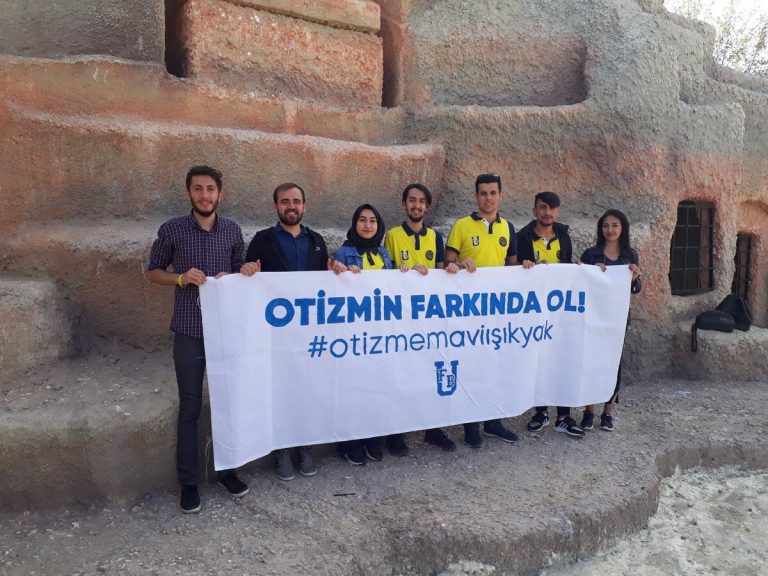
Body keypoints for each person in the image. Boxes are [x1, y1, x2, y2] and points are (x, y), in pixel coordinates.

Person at [146, 165, 249, 514]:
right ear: (189, 193)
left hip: (225, 331)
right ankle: (189, 482)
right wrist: (180, 278)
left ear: (220, 194)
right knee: (190, 407)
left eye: (210, 189)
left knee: (226, 404)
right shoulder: (172, 229)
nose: (205, 195)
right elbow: (153, 272)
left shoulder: (232, 230)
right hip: (189, 330)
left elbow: (241, 270)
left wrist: (238, 273)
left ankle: (227, 471)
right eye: (198, 189)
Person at [240, 182, 330, 481]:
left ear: (304, 206)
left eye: (296, 201)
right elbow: (248, 279)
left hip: (308, 332)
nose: (291, 206)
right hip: (275, 334)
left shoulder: (316, 241)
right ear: (276, 206)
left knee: (306, 390)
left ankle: (305, 447)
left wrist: (338, 273)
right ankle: (281, 450)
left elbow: (324, 282)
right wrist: (247, 271)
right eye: (285, 201)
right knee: (279, 391)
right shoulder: (262, 240)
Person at [444, 173, 520, 448]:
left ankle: (493, 421)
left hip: (497, 311)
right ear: (476, 196)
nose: (488, 198)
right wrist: (459, 263)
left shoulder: (508, 228)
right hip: (468, 311)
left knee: (495, 365)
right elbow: (447, 263)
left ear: (501, 195)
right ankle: (471, 424)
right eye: (483, 193)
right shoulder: (461, 226)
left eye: (493, 193)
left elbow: (512, 267)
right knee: (471, 365)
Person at [383, 183, 458, 454]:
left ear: (427, 206)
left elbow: (440, 273)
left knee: (430, 371)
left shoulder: (435, 237)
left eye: (422, 201)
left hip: (429, 317)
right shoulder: (392, 236)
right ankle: (396, 433)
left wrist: (452, 268)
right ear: (404, 204)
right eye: (412, 200)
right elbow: (384, 273)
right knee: (400, 373)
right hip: (401, 317)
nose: (417, 205)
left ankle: (432, 429)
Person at [517, 191, 585, 438]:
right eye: (543, 207)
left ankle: (564, 416)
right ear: (535, 210)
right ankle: (541, 412)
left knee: (562, 360)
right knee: (539, 360)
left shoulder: (564, 235)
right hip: (534, 312)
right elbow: (513, 272)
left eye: (552, 208)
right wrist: (524, 267)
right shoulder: (522, 237)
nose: (547, 212)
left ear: (558, 211)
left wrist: (577, 269)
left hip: (560, 312)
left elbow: (566, 270)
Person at [331, 204, 393, 465]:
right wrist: (340, 273)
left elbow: (393, 287)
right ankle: (349, 442)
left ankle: (372, 437)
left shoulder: (384, 254)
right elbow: (333, 288)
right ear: (355, 223)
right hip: (353, 334)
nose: (368, 225)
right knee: (352, 387)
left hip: (380, 333)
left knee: (377, 385)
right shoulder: (343, 253)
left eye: (372, 221)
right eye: (362, 220)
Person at [578, 209, 642, 431]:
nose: (610, 230)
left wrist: (635, 278)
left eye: (615, 225)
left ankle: (608, 412)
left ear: (623, 228)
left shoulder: (630, 256)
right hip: (594, 317)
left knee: (614, 364)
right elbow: (581, 284)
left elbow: (635, 289)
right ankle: (589, 410)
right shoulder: (591, 254)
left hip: (618, 319)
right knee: (592, 362)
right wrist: (591, 272)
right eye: (606, 225)